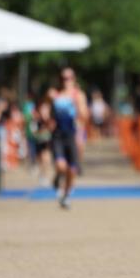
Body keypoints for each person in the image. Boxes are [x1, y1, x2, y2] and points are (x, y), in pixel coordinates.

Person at [51, 72, 82, 209]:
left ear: (74, 79)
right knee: (61, 166)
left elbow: (85, 115)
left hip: (72, 135)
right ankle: (58, 177)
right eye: (63, 78)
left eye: (69, 78)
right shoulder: (54, 94)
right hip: (58, 135)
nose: (66, 81)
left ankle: (66, 195)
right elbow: (45, 110)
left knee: (72, 170)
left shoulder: (78, 95)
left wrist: (77, 106)